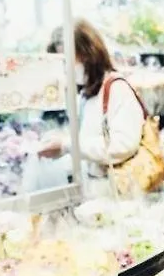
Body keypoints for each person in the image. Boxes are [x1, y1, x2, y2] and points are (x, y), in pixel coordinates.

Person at [39, 19, 145, 185]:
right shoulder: (86, 93)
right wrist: (62, 143)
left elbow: (123, 145)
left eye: (68, 60)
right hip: (95, 185)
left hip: (117, 189)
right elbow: (90, 138)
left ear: (88, 54)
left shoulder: (116, 88)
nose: (66, 67)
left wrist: (67, 145)